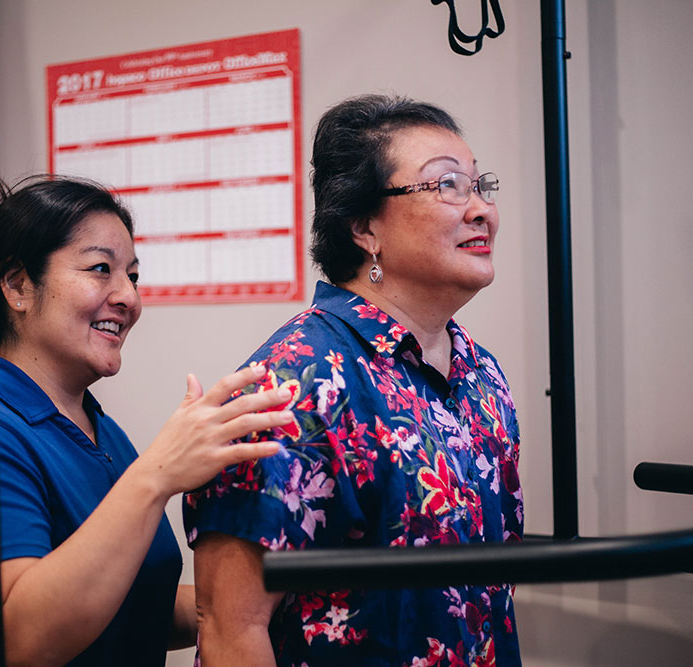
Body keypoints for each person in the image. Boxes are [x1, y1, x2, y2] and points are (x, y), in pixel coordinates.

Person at [184, 94, 524, 666]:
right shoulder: (293, 382)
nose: (481, 210)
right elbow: (230, 628)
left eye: (480, 185)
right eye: (446, 186)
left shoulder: (481, 372)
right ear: (364, 227)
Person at [0, 176, 293, 666]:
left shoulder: (101, 433)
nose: (128, 296)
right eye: (101, 269)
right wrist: (158, 475)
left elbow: (131, 606)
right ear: (17, 286)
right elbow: (21, 638)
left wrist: (257, 604)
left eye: (132, 275)